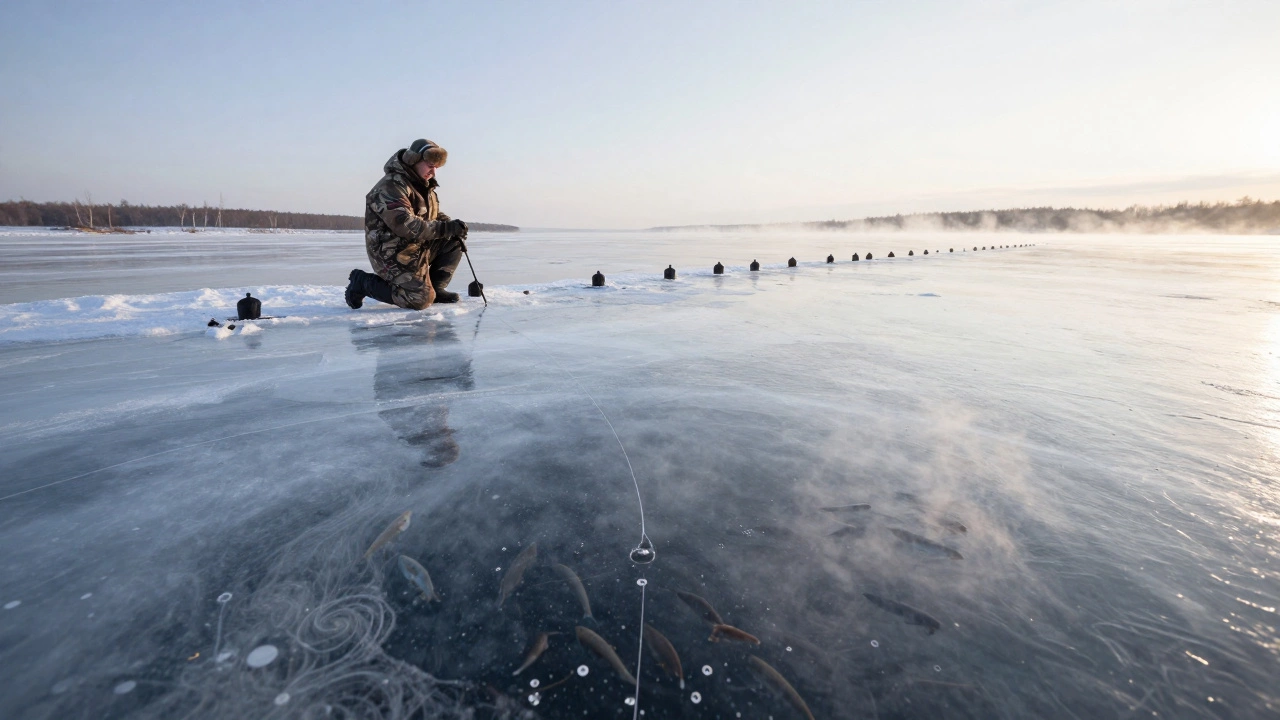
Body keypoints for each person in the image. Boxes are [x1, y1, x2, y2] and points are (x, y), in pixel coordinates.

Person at [346, 139, 470, 310]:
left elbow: (429, 215)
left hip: (416, 246)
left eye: (436, 167)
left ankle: (436, 288)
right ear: (414, 160)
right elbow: (406, 225)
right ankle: (362, 283)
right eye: (429, 165)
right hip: (391, 252)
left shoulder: (423, 185)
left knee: (453, 241)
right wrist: (446, 228)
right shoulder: (390, 187)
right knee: (419, 299)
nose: (433, 172)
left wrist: (451, 225)